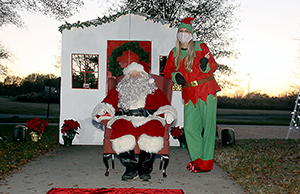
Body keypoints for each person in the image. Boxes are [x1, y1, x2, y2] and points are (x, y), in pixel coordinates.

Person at [92, 62, 177, 181]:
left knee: (155, 126)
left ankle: (145, 167)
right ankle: (131, 167)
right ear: (127, 77)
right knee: (120, 128)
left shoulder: (153, 90)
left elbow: (165, 104)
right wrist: (102, 110)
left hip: (148, 118)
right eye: (131, 73)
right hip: (125, 118)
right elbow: (107, 103)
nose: (135, 76)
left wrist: (168, 112)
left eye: (138, 73)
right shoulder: (119, 89)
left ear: (144, 75)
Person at [164, 17, 221, 172]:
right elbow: (167, 71)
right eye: (181, 31)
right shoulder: (173, 52)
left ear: (191, 34)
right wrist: (176, 76)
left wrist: (204, 65)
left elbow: (213, 65)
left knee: (208, 127)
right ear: (177, 34)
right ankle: (198, 160)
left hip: (206, 89)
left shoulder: (201, 46)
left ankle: (206, 162)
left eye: (186, 31)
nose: (183, 34)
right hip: (189, 92)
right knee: (189, 128)